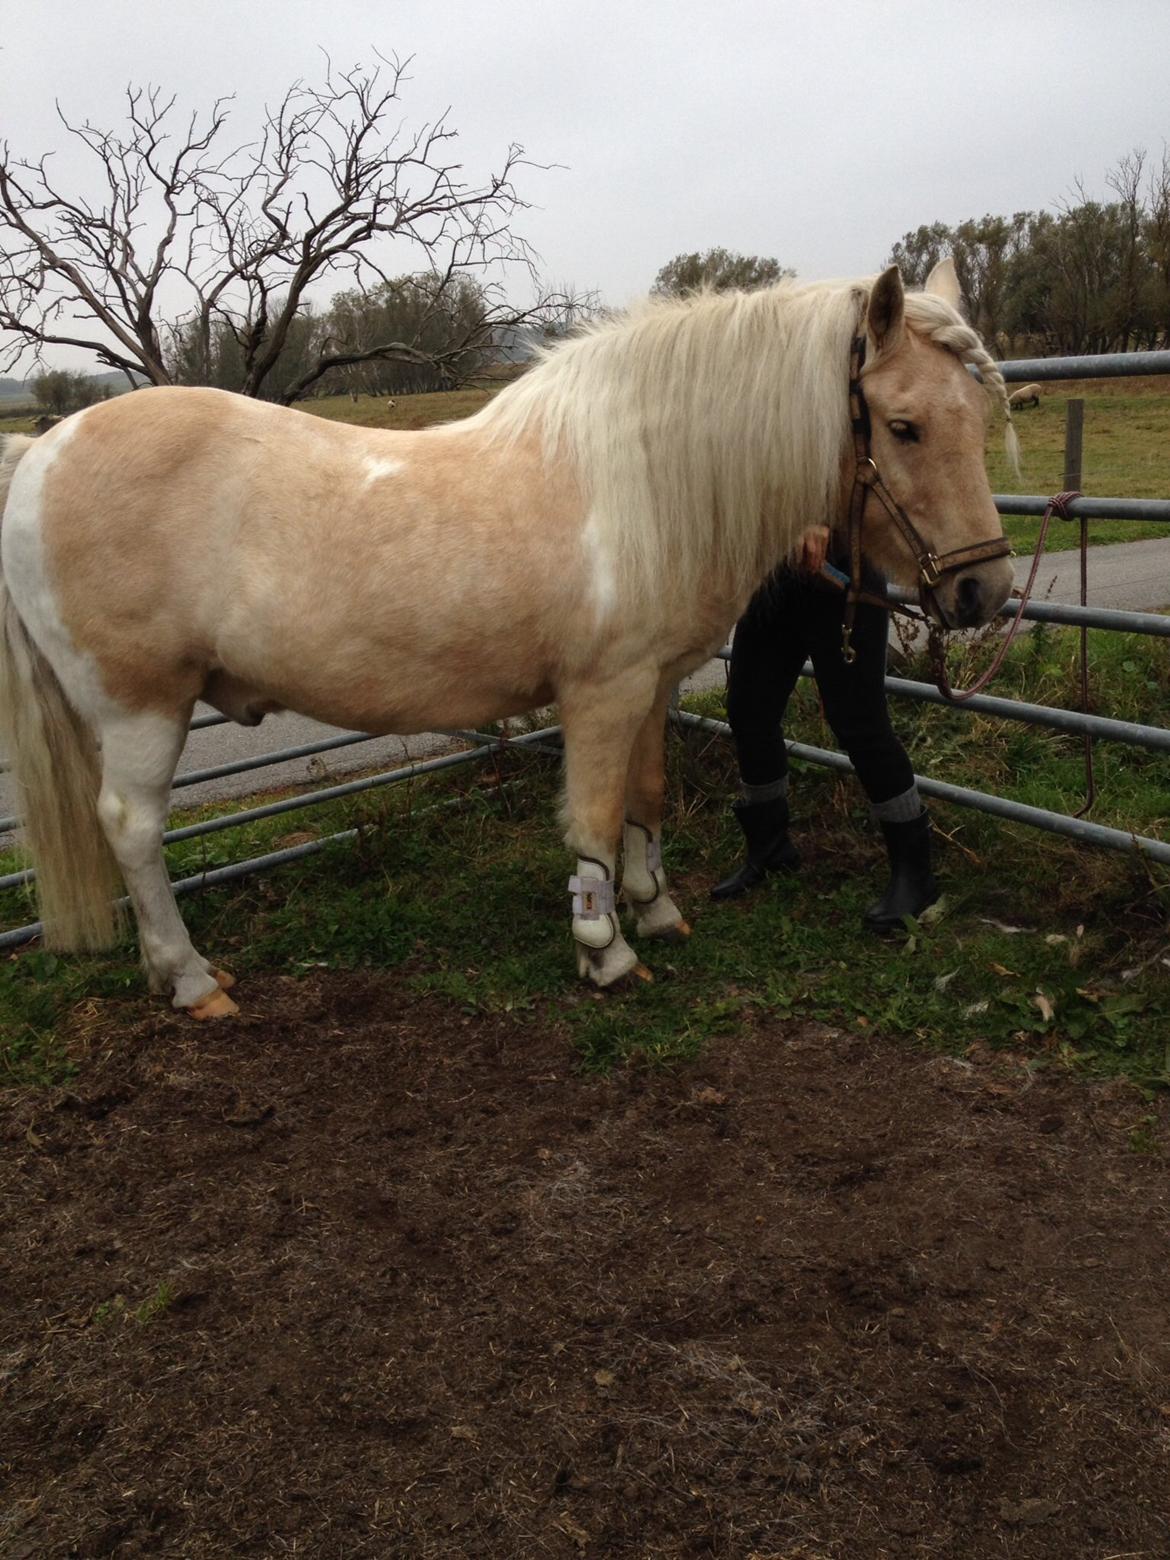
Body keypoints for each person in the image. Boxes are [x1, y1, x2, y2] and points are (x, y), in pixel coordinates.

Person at [710, 525, 938, 932]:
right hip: (775, 573)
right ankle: (770, 847)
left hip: (841, 569)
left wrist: (820, 519)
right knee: (749, 710)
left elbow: (866, 471)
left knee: (859, 723)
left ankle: (915, 875)